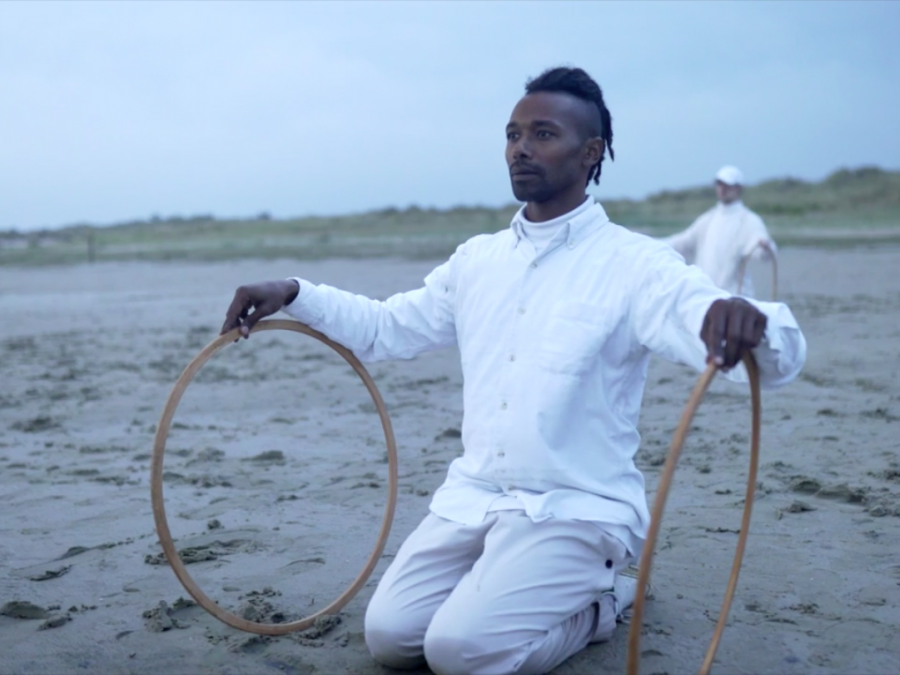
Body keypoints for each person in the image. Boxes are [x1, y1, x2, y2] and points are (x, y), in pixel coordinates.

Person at [220, 67, 806, 675]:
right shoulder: (478, 260)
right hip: (474, 497)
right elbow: (384, 328)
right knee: (392, 639)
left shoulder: (637, 265)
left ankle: (602, 603)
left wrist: (749, 320)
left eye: (543, 134)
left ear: (590, 152)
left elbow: (768, 351)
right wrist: (293, 291)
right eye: (512, 134)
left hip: (579, 508)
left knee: (458, 652)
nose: (521, 148)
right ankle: (511, 589)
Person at [663, 165, 777, 297]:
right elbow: (683, 242)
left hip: (735, 299)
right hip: (705, 296)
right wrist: (650, 243)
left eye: (727, 185)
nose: (722, 189)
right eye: (719, 184)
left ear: (739, 188)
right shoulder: (708, 218)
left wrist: (766, 248)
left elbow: (762, 250)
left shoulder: (749, 220)